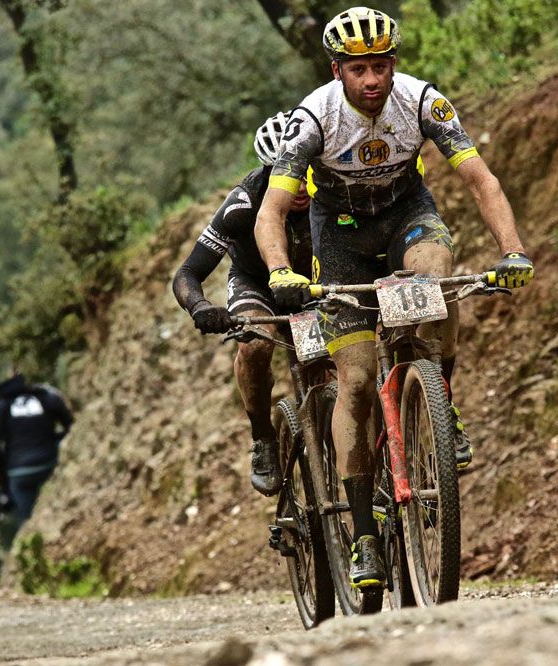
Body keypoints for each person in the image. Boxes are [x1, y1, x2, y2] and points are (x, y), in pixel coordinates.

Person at [254, 7, 534, 589]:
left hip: (407, 217)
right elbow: (272, 211)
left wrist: (512, 252)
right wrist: (280, 271)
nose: (372, 79)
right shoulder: (314, 119)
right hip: (341, 239)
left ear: (394, 64)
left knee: (436, 275)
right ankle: (363, 536)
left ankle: (438, 400)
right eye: (358, 69)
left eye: (380, 66)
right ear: (337, 71)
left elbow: (481, 180)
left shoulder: (423, 102)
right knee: (355, 382)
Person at [172, 113, 312, 497]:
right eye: (287, 173)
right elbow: (188, 272)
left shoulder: (334, 186)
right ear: (268, 172)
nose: (300, 184)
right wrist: (201, 307)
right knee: (255, 344)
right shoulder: (244, 203)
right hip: (257, 284)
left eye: (305, 169)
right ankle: (263, 438)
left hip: (314, 283)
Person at [0, 372, 73, 524]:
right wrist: (54, 442)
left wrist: (2, 482)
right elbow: (71, 428)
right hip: (49, 464)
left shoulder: (4, 403)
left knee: (28, 522)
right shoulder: (47, 396)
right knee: (61, 515)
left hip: (19, 472)